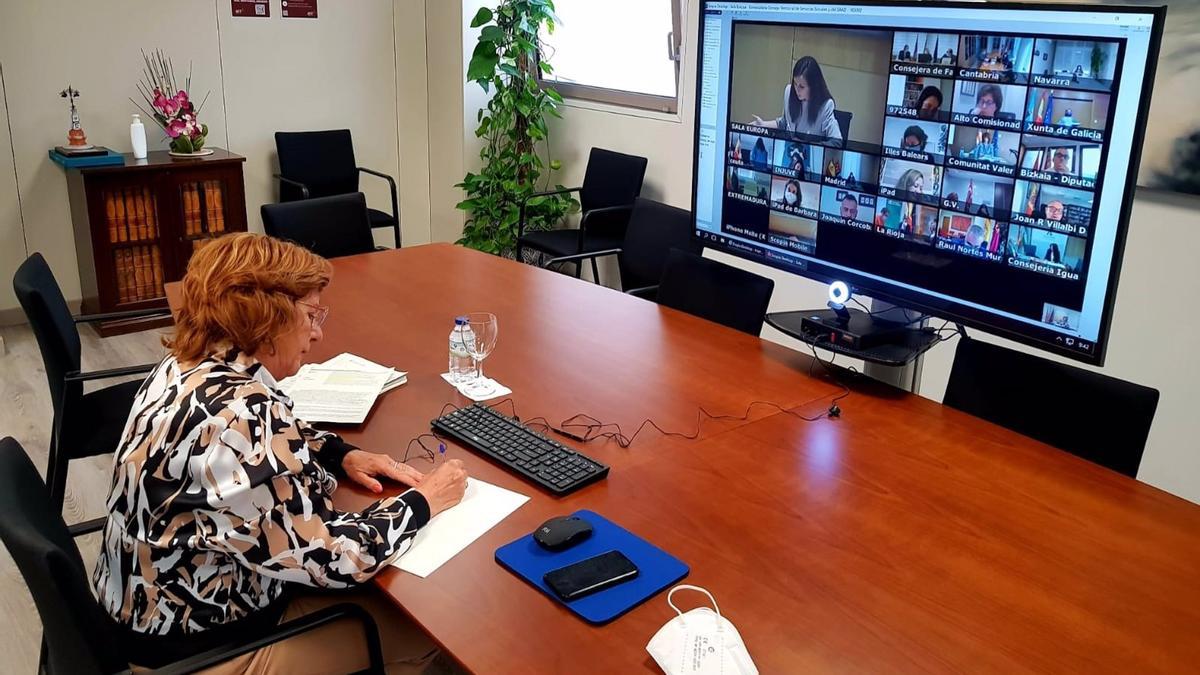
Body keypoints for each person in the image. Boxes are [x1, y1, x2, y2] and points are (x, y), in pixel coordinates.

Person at [92, 233, 470, 674]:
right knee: (422, 632)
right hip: (202, 648)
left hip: (151, 609)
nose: (318, 331)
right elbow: (338, 559)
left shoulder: (191, 365)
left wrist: (339, 453)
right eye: (311, 314)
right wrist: (426, 501)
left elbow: (264, 440)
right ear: (266, 317)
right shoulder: (241, 416)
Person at [750, 56, 843, 142]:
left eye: (802, 86)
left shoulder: (826, 105)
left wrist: (807, 145)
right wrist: (763, 125)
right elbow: (785, 123)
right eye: (795, 83)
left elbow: (837, 142)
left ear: (813, 86)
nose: (796, 89)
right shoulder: (789, 92)